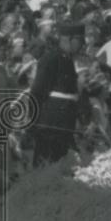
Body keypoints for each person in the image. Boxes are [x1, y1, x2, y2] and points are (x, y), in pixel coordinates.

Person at [28, 21, 84, 166]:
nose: (82, 45)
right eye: (79, 40)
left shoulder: (67, 60)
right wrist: (33, 120)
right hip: (50, 120)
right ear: (69, 39)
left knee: (58, 161)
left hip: (64, 119)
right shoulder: (51, 58)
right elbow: (37, 91)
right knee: (45, 162)